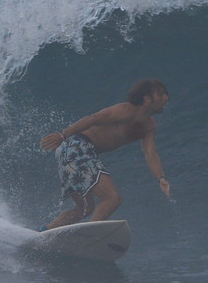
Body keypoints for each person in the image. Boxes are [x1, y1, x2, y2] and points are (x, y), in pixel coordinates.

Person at [39, 79, 171, 230]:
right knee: (112, 198)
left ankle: (43, 233)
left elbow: (150, 153)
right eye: (161, 94)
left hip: (71, 151)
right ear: (147, 98)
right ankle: (89, 236)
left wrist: (161, 177)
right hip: (77, 146)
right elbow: (93, 119)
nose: (166, 98)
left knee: (85, 209)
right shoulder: (126, 110)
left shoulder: (149, 125)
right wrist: (63, 135)